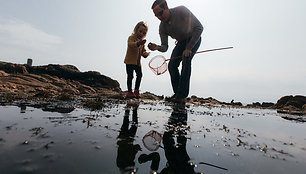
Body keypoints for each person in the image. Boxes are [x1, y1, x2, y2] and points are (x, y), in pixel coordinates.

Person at [148, 0, 203, 103]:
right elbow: (165, 47)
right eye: (156, 16)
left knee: (186, 60)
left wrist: (189, 48)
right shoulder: (162, 27)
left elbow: (199, 28)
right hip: (181, 42)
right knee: (172, 65)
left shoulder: (181, 10)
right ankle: (177, 93)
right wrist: (157, 47)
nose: (159, 17)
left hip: (193, 38)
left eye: (160, 13)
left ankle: (182, 96)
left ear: (167, 7)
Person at [124, 21, 150, 98]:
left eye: (144, 33)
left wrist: (145, 54)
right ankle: (129, 91)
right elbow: (130, 45)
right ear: (136, 30)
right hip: (129, 61)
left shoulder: (142, 42)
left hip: (138, 63)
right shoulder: (131, 38)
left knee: (139, 75)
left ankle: (136, 90)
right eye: (140, 31)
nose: (141, 34)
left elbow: (143, 51)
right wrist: (138, 43)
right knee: (130, 76)